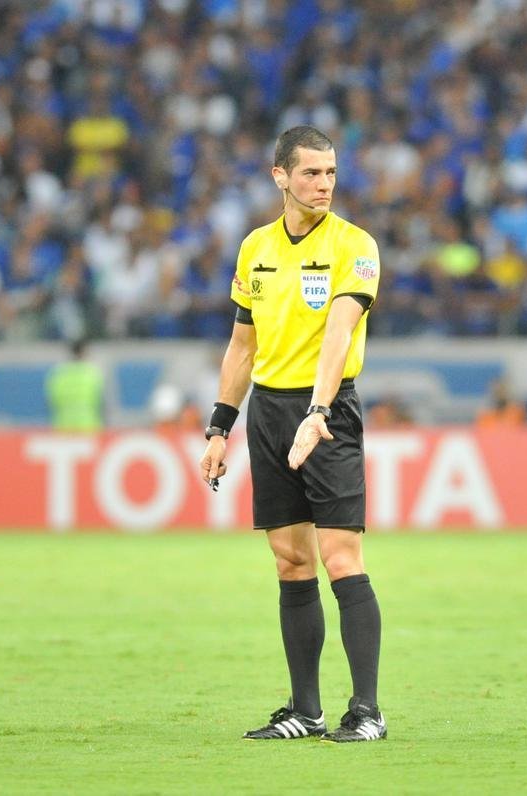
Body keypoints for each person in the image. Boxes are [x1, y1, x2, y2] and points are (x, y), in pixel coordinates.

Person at [198, 126, 386, 743]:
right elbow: (242, 345)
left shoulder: (355, 246)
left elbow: (339, 334)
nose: (324, 184)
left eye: (331, 173)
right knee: (290, 560)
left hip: (326, 412)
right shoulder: (255, 247)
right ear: (280, 175)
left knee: (339, 557)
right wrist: (219, 427)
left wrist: (318, 411)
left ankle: (366, 712)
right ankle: (306, 710)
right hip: (270, 412)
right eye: (310, 173)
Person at [45, 338, 104, 431]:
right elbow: (101, 403)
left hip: (63, 426)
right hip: (87, 426)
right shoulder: (92, 373)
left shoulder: (58, 374)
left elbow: (51, 402)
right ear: (84, 352)